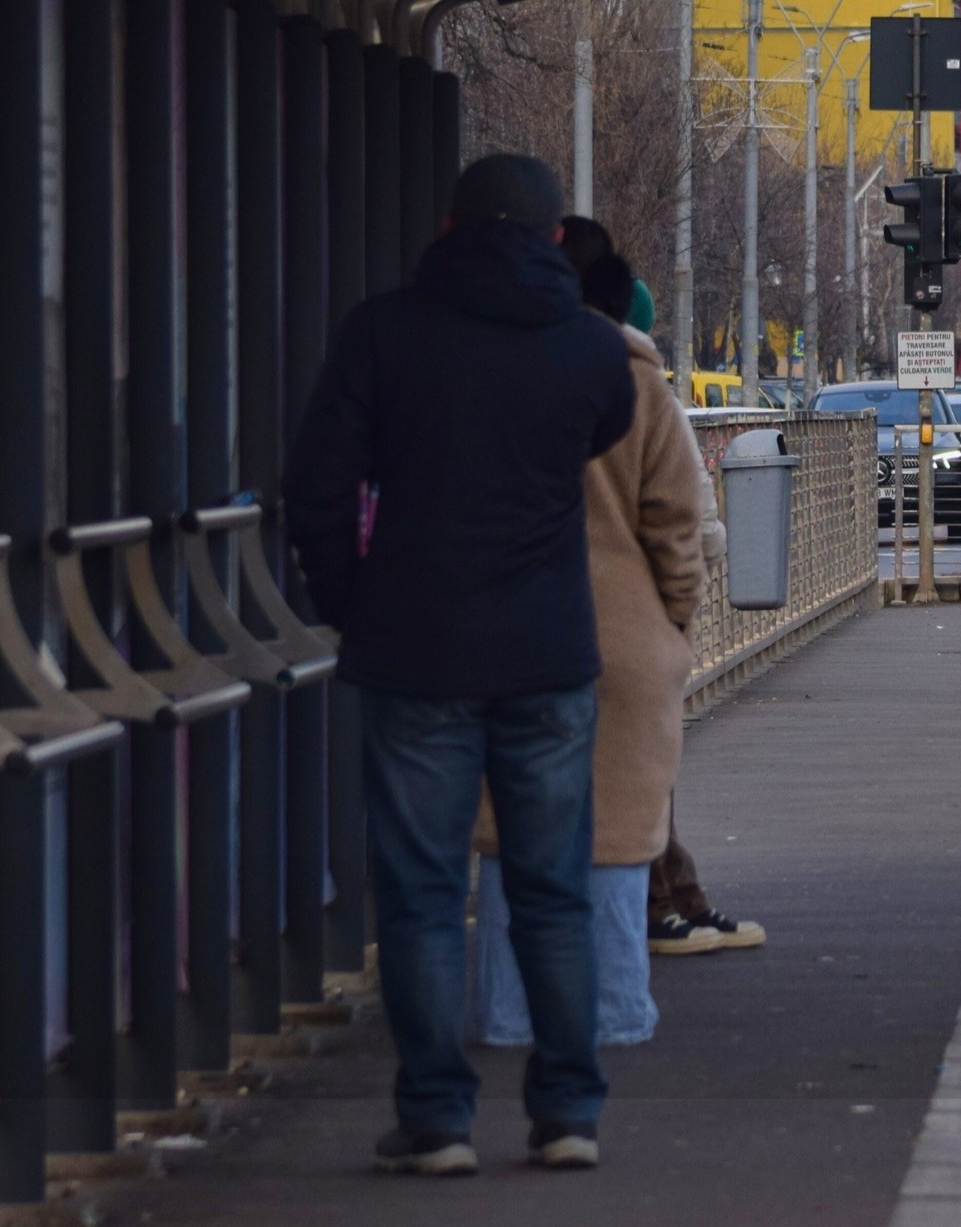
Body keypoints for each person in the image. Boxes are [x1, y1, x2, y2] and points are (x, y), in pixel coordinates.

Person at [285, 154, 634, 1176]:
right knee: (552, 890)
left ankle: (436, 1120)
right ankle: (568, 1111)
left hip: (416, 652)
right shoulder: (587, 348)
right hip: (548, 657)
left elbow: (317, 484)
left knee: (425, 893)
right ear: (552, 237)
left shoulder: (384, 333)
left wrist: (352, 603)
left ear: (446, 226)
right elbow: (601, 433)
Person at [468, 248, 712, 1043]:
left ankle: (510, 1015)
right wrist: (673, 628)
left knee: (509, 836)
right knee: (617, 838)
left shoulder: (488, 371)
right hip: (624, 637)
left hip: (506, 634)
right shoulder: (637, 382)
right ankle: (611, 1013)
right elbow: (678, 524)